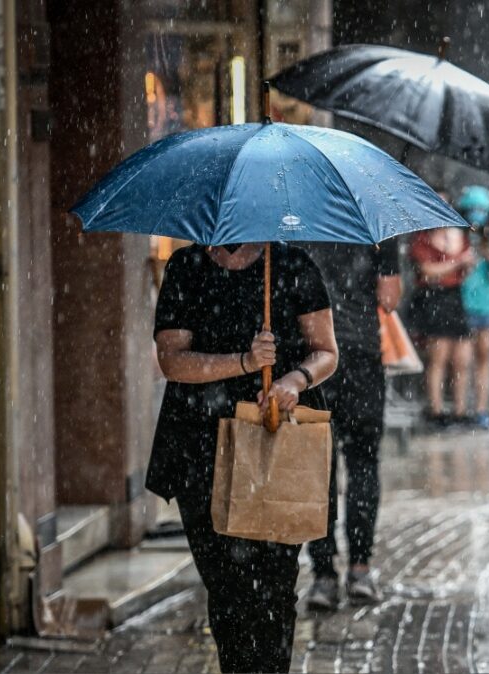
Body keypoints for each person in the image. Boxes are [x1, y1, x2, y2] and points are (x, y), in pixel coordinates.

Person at [151, 242, 338, 673]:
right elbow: (172, 360)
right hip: (200, 447)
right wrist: (245, 362)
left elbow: (326, 351)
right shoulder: (187, 266)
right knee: (226, 588)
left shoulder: (291, 264)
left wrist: (293, 379)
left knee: (274, 588)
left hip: (276, 444)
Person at [302, 236, 403, 609]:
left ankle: (323, 575)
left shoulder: (297, 219)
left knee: (318, 468)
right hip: (360, 355)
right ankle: (360, 569)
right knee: (362, 461)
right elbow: (389, 300)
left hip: (311, 360)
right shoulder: (375, 226)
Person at [408, 213, 476, 425]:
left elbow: (466, 266)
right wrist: (456, 263)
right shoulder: (423, 239)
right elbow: (427, 271)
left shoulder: (458, 236)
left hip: (455, 297)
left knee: (462, 359)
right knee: (438, 357)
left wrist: (458, 263)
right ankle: (436, 410)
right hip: (434, 299)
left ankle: (460, 410)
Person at [458, 186, 489, 429]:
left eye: (481, 210)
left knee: (483, 358)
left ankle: (480, 408)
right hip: (462, 304)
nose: (476, 215)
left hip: (485, 306)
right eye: (472, 210)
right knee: (462, 361)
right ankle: (460, 409)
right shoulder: (459, 236)